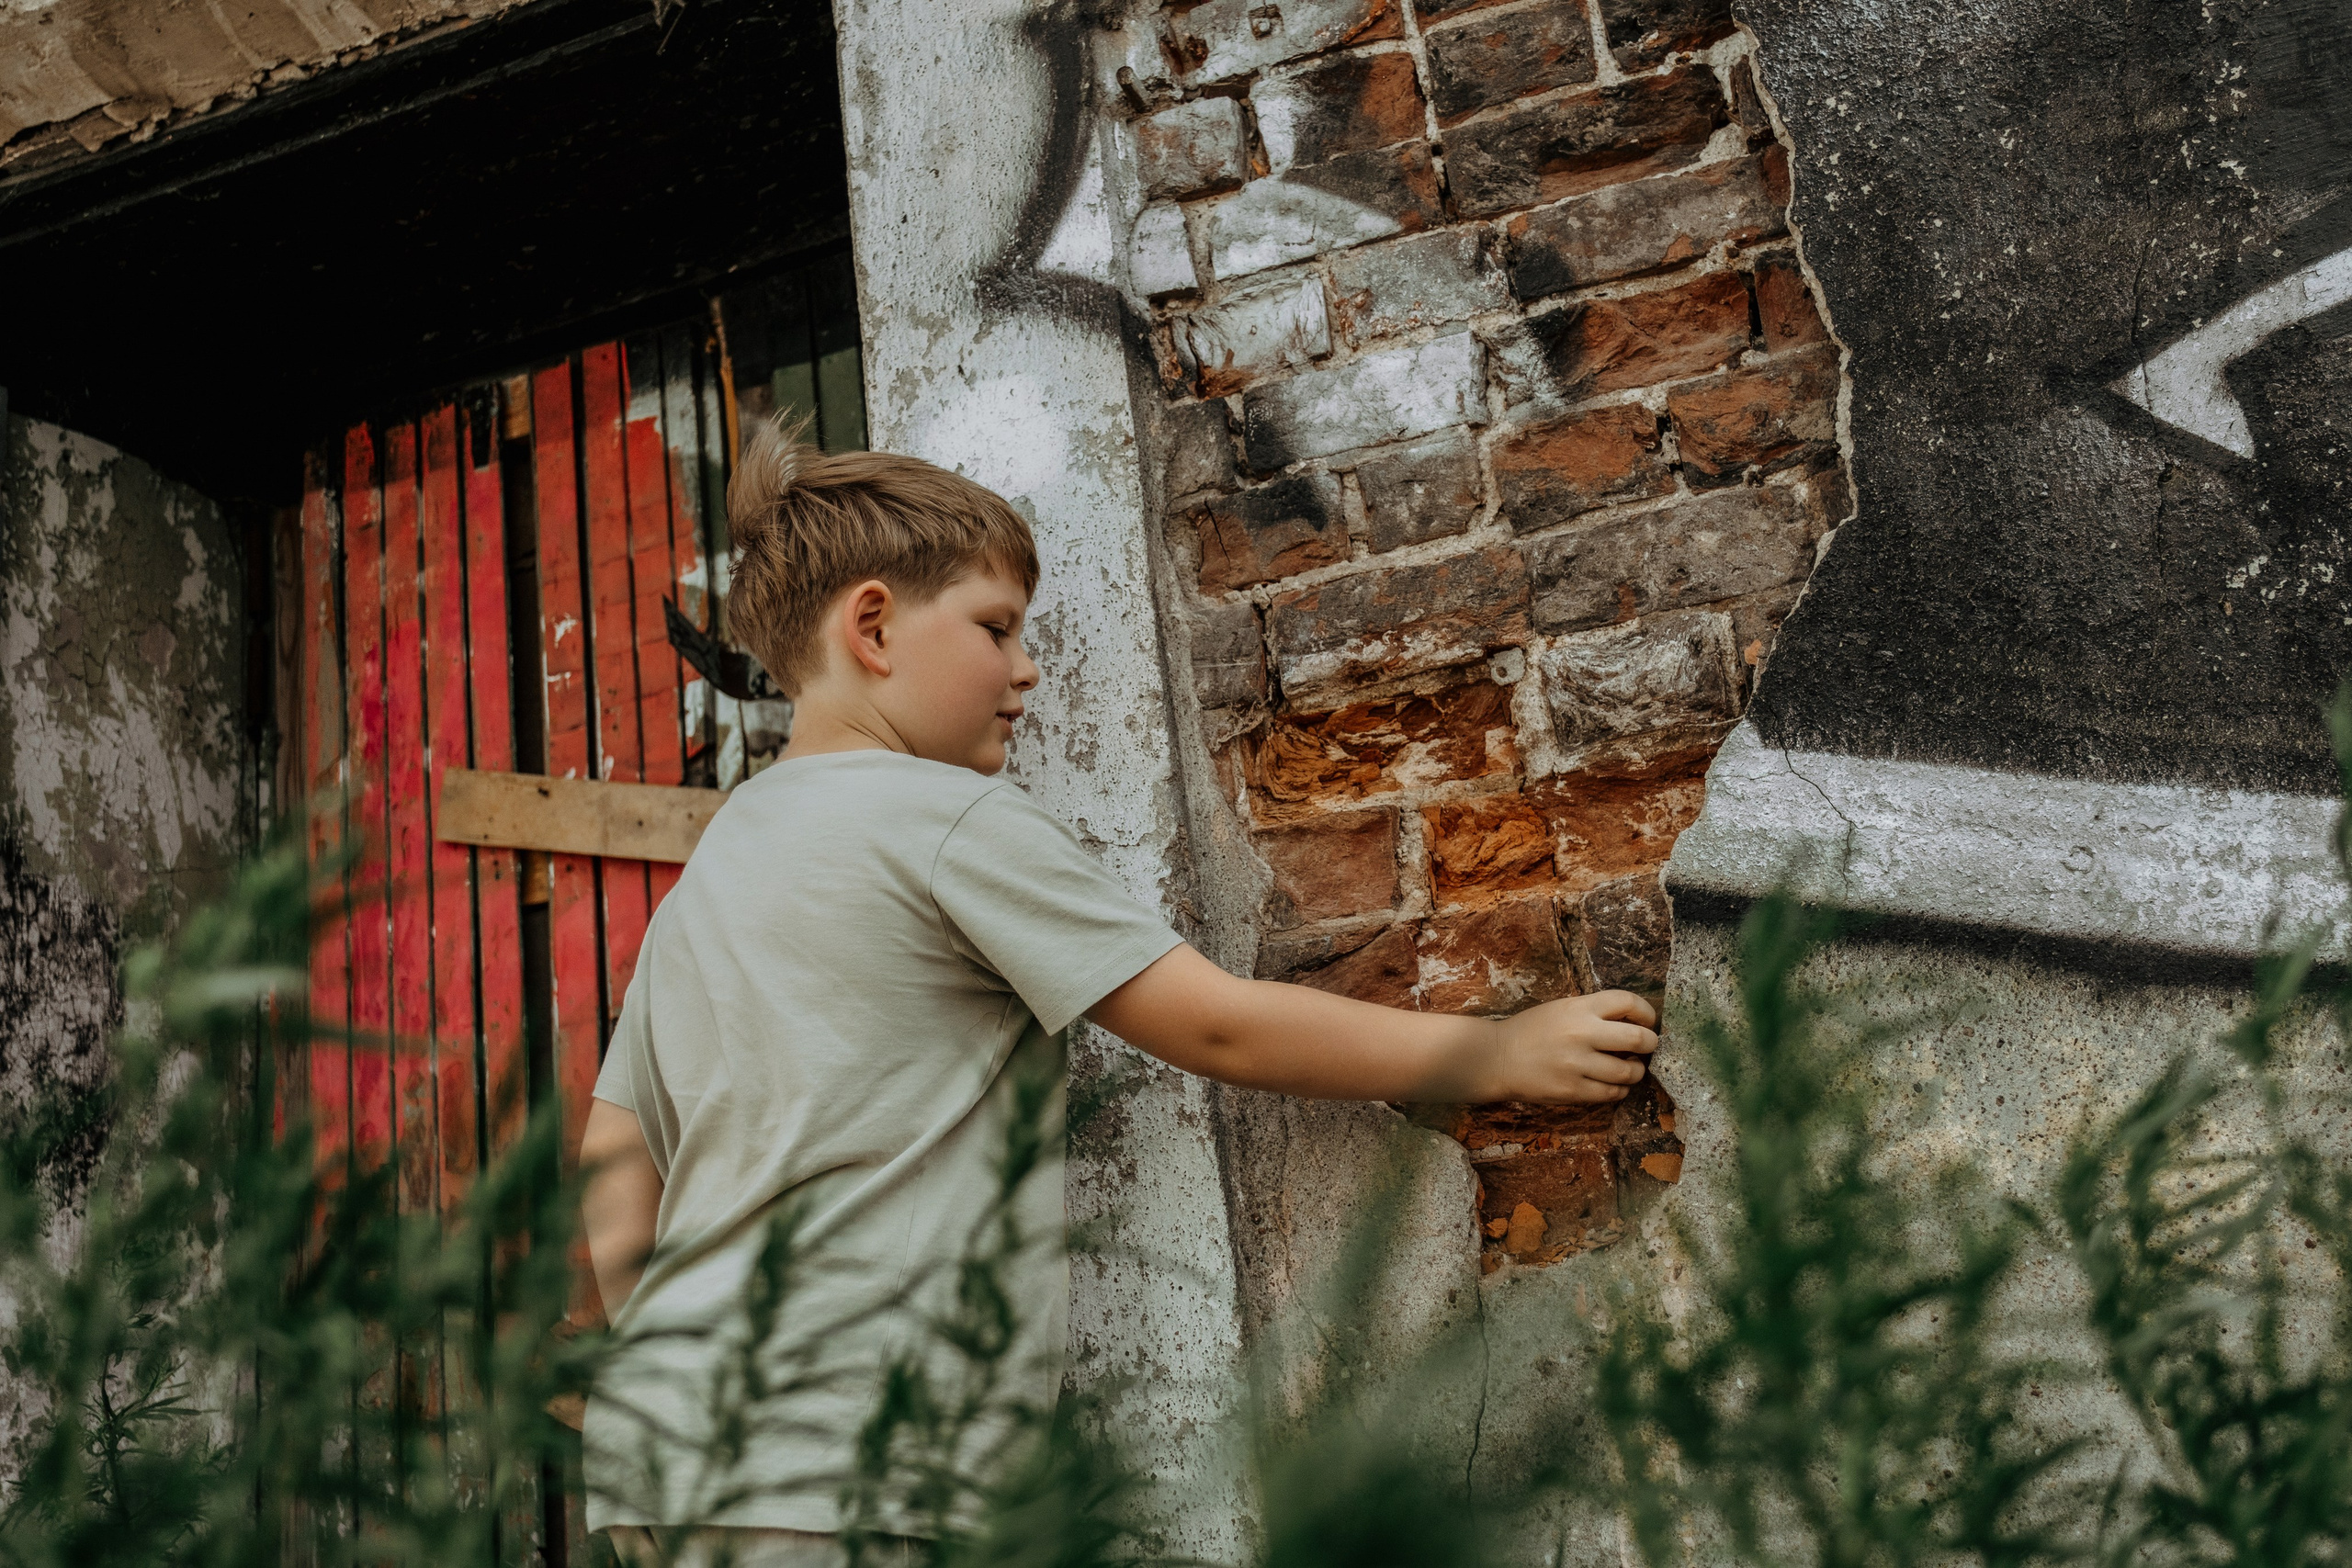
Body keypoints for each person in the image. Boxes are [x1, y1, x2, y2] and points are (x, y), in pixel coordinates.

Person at [580, 421, 1659, 1567]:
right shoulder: (941, 818)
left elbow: (612, 1166)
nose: (1027, 667)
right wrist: (1492, 1057)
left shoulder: (716, 865)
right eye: (996, 628)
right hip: (857, 1451)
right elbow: (1212, 1021)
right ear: (874, 625)